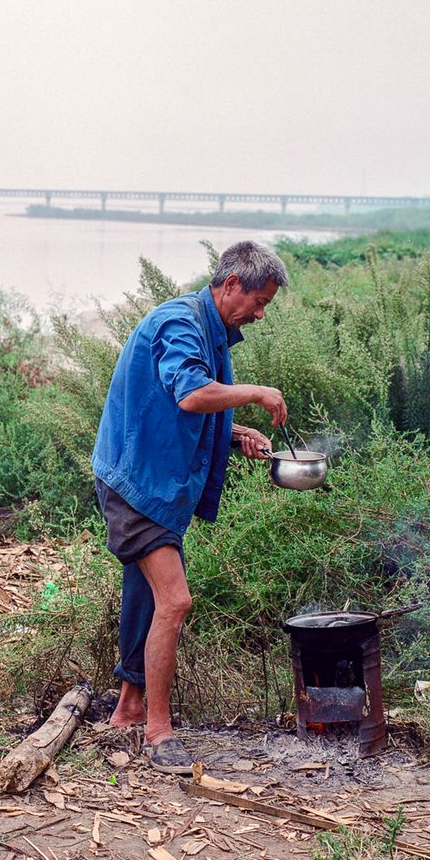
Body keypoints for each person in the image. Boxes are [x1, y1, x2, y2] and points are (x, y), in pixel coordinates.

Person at [91, 239, 289, 774]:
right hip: (136, 483)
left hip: (160, 486)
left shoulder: (214, 330)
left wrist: (234, 432)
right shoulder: (179, 322)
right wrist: (256, 393)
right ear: (230, 285)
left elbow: (192, 407)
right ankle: (159, 732)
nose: (261, 314)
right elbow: (190, 394)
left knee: (147, 598)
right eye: (259, 301)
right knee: (175, 601)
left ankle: (129, 711)